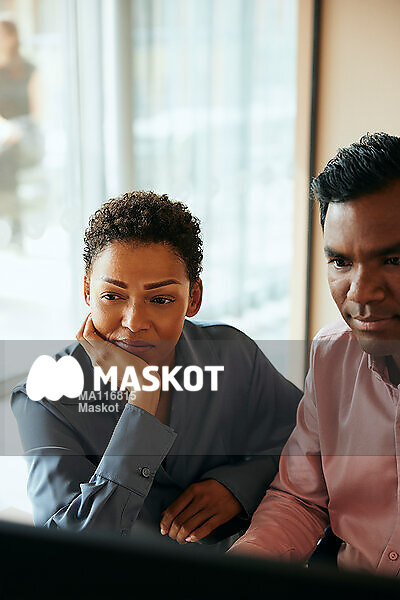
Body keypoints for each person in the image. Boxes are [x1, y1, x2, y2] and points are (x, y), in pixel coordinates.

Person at [11, 191, 301, 549]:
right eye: (112, 296)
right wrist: (143, 399)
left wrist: (239, 486)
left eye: (160, 299)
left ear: (193, 298)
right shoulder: (46, 396)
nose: (134, 322)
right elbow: (65, 554)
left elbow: (311, 444)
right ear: (87, 291)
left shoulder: (231, 354)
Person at [230, 132, 400, 575]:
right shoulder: (332, 355)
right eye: (341, 262)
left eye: (393, 261)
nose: (360, 292)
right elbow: (299, 499)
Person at [0, 19, 42, 245]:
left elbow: (38, 112)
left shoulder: (29, 69)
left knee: (6, 157)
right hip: (5, 135)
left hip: (27, 136)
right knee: (6, 157)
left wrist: (18, 128)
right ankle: (15, 226)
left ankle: (13, 224)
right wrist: (7, 128)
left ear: (12, 37)